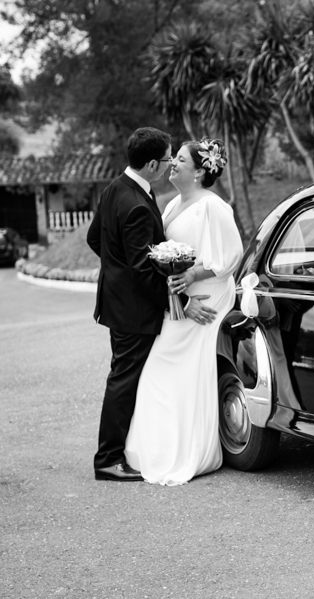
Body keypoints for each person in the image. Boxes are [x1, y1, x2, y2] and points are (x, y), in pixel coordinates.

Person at [88, 127, 217, 482]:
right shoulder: (136, 206)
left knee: (123, 377)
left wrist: (116, 272)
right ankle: (108, 460)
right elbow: (144, 270)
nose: (169, 164)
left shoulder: (116, 188)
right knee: (124, 381)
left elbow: (93, 237)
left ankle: (117, 453)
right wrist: (183, 302)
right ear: (149, 164)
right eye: (166, 159)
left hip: (117, 303)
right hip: (132, 310)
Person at [124, 138, 243, 485]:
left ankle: (190, 451)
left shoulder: (214, 207)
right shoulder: (173, 204)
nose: (171, 164)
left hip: (205, 300)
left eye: (179, 159)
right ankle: (156, 449)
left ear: (199, 171)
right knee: (159, 372)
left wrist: (192, 274)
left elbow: (230, 256)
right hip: (179, 300)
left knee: (184, 371)